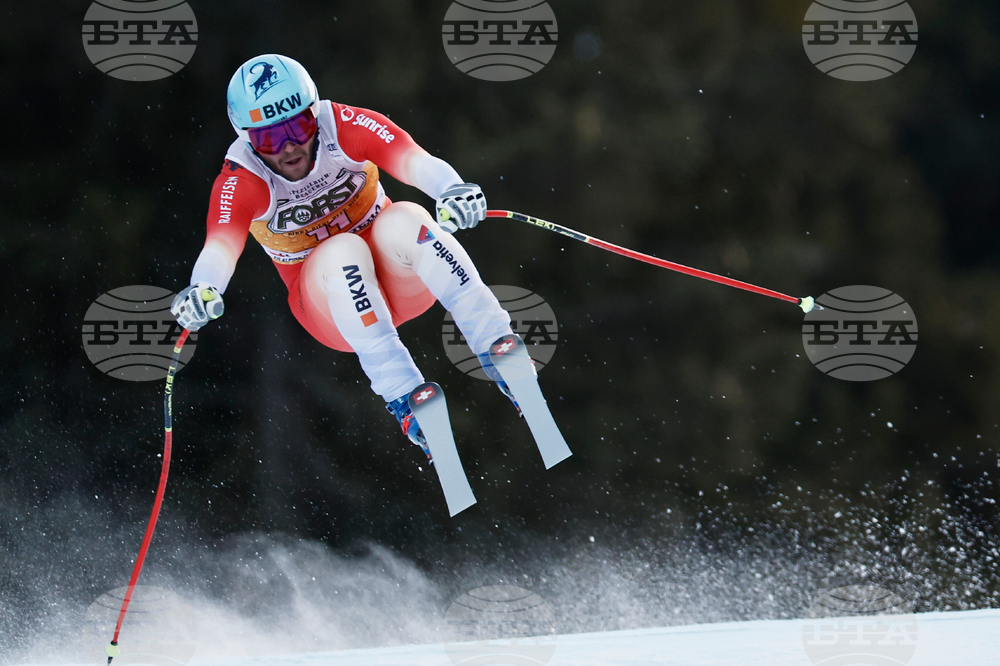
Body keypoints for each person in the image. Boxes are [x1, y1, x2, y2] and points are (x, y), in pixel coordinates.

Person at [171, 54, 521, 458]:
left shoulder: (343, 126)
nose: (289, 147)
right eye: (269, 139)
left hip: (401, 278)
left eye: (299, 126)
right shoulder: (242, 178)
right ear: (247, 138)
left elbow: (413, 159)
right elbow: (220, 247)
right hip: (334, 308)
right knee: (341, 251)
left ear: (314, 113)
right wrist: (203, 289)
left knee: (406, 217)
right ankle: (404, 396)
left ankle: (497, 342)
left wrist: (452, 189)